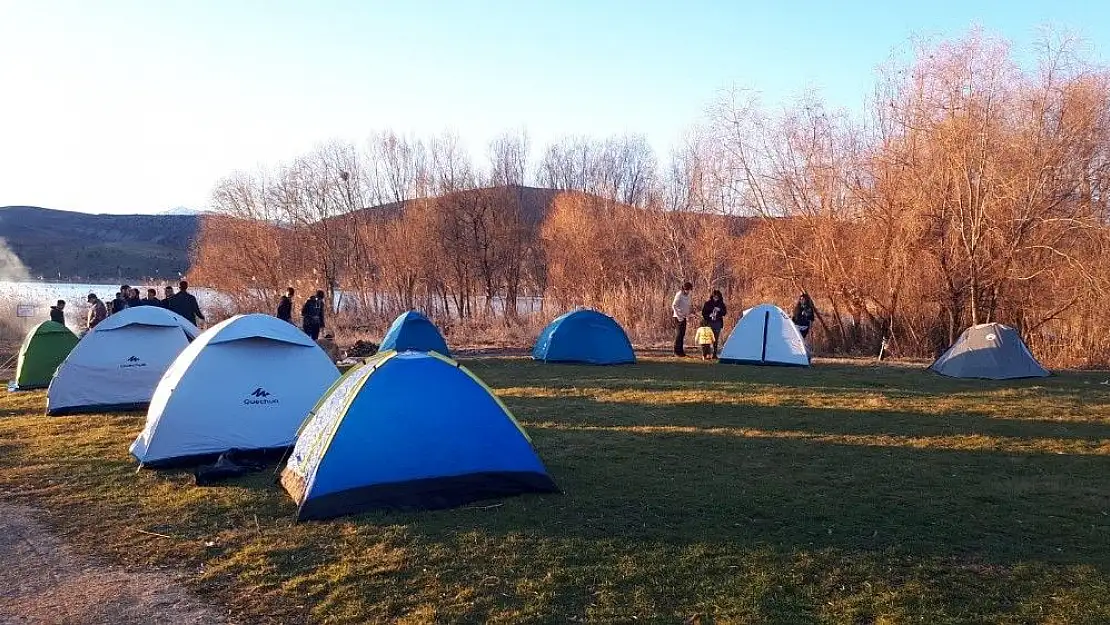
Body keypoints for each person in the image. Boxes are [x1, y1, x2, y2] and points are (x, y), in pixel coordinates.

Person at [700, 290, 728, 359]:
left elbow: (724, 313)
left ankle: (714, 354)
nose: (716, 298)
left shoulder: (721, 304)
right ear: (712, 296)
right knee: (708, 339)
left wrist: (720, 310)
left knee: (715, 339)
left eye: (717, 297)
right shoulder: (708, 303)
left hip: (717, 323)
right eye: (714, 297)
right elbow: (703, 313)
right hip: (709, 323)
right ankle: (706, 354)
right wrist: (709, 315)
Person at [671, 282, 694, 357]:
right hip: (678, 317)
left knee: (682, 334)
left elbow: (688, 306)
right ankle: (676, 351)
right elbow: (674, 305)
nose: (688, 291)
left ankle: (681, 351)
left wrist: (690, 314)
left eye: (689, 290)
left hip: (684, 317)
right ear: (684, 289)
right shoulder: (679, 295)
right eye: (687, 289)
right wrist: (679, 316)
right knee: (679, 334)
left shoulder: (687, 296)